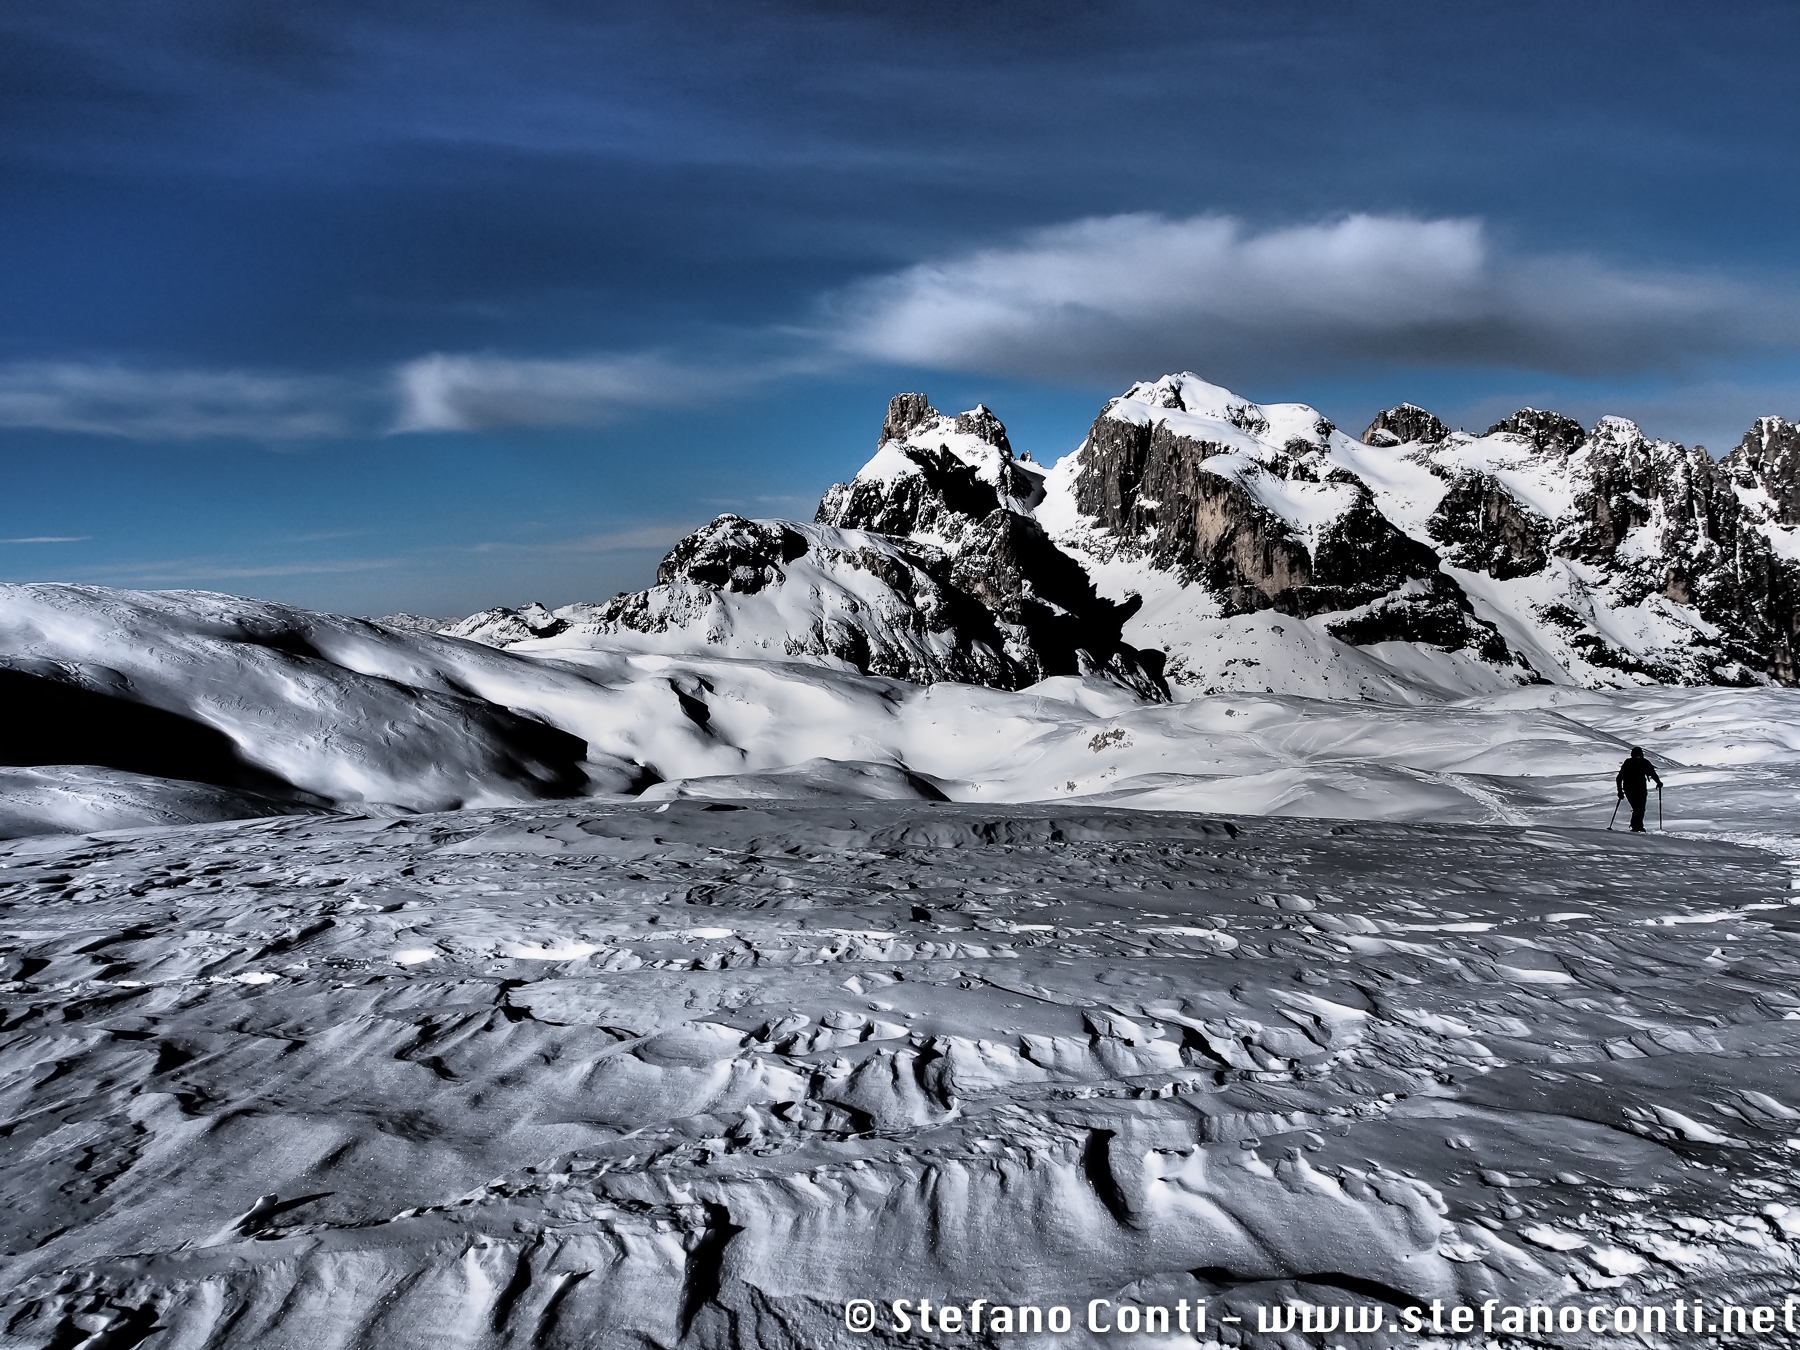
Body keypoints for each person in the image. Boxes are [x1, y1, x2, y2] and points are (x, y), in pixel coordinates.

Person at [1615, 747, 1662, 833]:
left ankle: (1637, 826)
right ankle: (1637, 826)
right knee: (1638, 808)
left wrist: (1658, 782)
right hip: (1633, 789)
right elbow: (1652, 773)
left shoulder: (1634, 763)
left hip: (1637, 788)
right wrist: (1619, 791)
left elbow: (1619, 777)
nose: (1638, 757)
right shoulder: (1640, 762)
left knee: (1640, 808)